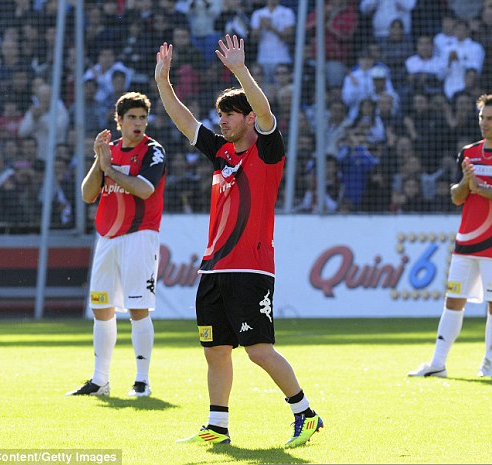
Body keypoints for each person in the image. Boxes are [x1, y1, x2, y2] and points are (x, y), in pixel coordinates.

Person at [154, 35, 323, 447]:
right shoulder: (223, 155)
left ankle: (305, 413)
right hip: (213, 268)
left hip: (251, 268)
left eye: (229, 115)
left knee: (259, 350)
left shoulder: (268, 152)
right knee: (216, 351)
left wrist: (240, 71)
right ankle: (217, 426)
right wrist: (163, 82)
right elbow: (185, 122)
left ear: (248, 119)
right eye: (221, 115)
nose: (222, 122)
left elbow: (265, 112)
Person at [408, 93, 492, 379]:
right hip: (467, 241)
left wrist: (481, 188)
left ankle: (487, 365)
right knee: (453, 299)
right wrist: (465, 182)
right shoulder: (469, 152)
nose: (483, 123)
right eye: (481, 117)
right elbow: (457, 197)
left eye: (489, 118)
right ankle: (438, 363)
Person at [66, 92, 167, 398]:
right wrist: (100, 162)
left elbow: (144, 190)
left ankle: (142, 379)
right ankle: (100, 381)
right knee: (101, 308)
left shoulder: (153, 151)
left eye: (142, 117)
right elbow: (87, 194)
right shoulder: (108, 151)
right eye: (132, 118)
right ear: (119, 121)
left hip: (139, 235)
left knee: (138, 308)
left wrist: (110, 169)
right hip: (108, 238)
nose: (138, 123)